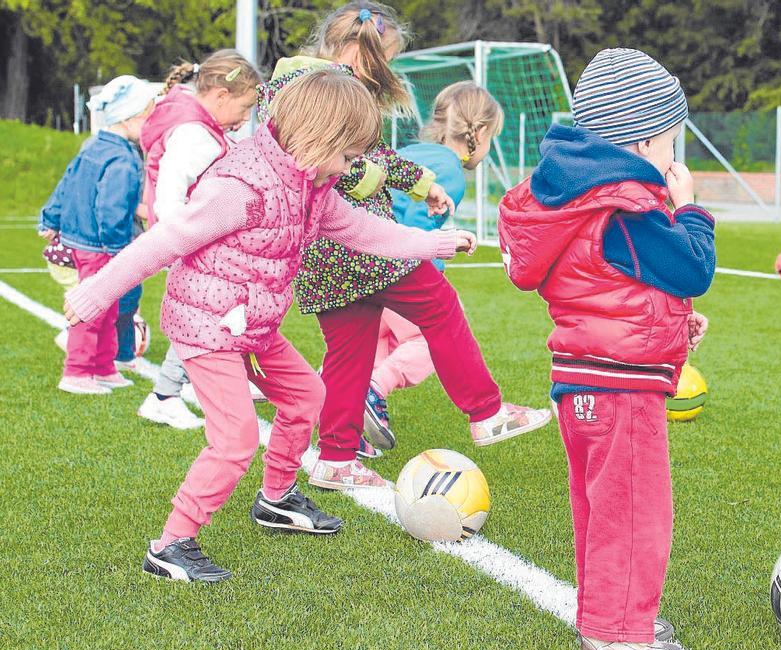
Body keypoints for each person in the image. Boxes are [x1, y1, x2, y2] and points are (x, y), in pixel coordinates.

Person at [63, 70, 477, 583]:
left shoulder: (312, 183)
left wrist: (432, 243)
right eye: (348, 157)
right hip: (208, 326)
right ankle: (170, 545)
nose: (352, 169)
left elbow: (361, 229)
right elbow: (164, 242)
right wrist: (94, 293)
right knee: (235, 439)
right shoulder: (240, 186)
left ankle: (276, 500)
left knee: (308, 396)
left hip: (252, 326)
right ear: (318, 139)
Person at [258, 2, 549, 490]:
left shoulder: (293, 84)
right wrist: (380, 182)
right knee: (440, 306)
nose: (385, 71)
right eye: (384, 59)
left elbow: (369, 154)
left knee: (350, 351)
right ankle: (486, 412)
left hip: (320, 253)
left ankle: (335, 458)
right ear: (358, 49)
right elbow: (335, 165)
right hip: (359, 242)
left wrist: (421, 184)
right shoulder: (323, 88)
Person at [497, 48, 716, 650]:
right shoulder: (626, 207)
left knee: (602, 508)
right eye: (673, 140)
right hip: (619, 389)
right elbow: (692, 268)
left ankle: (607, 615)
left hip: (585, 379)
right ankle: (617, 634)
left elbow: (611, 287)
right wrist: (690, 208)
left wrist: (674, 325)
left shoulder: (583, 199)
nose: (676, 156)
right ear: (645, 140)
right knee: (634, 512)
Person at [362, 81, 503, 453]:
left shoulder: (409, 152)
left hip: (363, 265)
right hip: (398, 269)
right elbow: (416, 226)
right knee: (428, 340)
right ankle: (373, 390)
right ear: (480, 133)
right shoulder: (450, 173)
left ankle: (348, 421)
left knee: (372, 344)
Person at [134, 49, 263, 430]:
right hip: (191, 242)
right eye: (243, 108)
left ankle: (186, 387)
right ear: (221, 97)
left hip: (194, 240)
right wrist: (185, 242)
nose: (244, 120)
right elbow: (171, 194)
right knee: (204, 315)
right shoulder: (195, 135)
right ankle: (164, 395)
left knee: (216, 311)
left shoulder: (201, 127)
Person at [39, 75, 158, 395]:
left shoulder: (93, 145)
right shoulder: (121, 157)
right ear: (132, 117)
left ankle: (104, 367)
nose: (151, 123)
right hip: (101, 245)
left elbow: (66, 182)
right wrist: (118, 249)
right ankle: (77, 372)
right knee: (93, 307)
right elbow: (111, 207)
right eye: (149, 115)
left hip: (85, 240)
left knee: (109, 307)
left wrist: (50, 216)